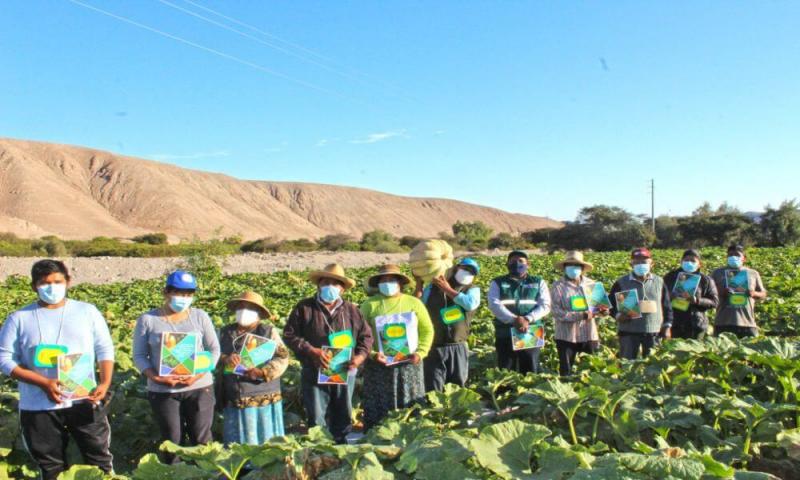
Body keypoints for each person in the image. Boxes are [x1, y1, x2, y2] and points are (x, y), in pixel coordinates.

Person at [0, 260, 115, 479]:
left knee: (99, 461)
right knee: (50, 466)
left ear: (68, 281)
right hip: (38, 405)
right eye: (44, 283)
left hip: (84, 399)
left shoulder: (87, 312)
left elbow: (104, 348)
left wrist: (105, 382)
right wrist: (43, 383)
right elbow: (4, 359)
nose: (52, 287)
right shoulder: (19, 319)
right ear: (34, 286)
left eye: (57, 281)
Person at [132, 270, 220, 463]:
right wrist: (156, 377)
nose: (184, 298)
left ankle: (207, 474)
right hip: (163, 390)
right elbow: (139, 355)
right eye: (179, 293)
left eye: (188, 294)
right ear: (166, 292)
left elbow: (214, 350)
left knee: (202, 441)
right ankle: (175, 473)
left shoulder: (200, 316)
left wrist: (198, 375)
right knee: (172, 441)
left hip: (199, 387)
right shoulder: (148, 320)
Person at [282, 264, 373, 444]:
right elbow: (289, 335)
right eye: (326, 283)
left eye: (335, 283)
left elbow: (366, 337)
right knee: (316, 417)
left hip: (345, 371)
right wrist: (311, 350)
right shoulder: (304, 308)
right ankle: (318, 450)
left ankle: (341, 448)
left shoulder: (352, 310)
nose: (330, 287)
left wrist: (359, 357)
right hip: (314, 370)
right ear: (319, 285)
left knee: (343, 414)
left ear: (342, 289)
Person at [359, 264, 434, 429]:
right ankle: (377, 436)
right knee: (379, 405)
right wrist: (372, 354)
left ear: (400, 282)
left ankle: (412, 434)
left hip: (409, 363)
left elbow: (427, 330)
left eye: (391, 279)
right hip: (379, 366)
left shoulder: (414, 303)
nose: (387, 283)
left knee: (410, 403)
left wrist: (421, 353)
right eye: (383, 280)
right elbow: (360, 335)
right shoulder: (369, 305)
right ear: (378, 284)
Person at [218, 291, 289, 445]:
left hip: (263, 395)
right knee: (238, 444)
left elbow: (283, 357)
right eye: (241, 307)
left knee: (265, 440)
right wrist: (225, 358)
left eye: (250, 308)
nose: (244, 311)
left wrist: (263, 372)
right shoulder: (224, 332)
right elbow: (214, 354)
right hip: (233, 394)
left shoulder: (268, 332)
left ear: (258, 313)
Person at [415, 258, 481, 392]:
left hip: (457, 345)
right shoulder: (432, 287)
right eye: (465, 268)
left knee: (457, 385)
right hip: (434, 346)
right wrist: (419, 284)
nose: (467, 273)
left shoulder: (472, 289)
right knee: (433, 386)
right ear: (456, 268)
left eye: (471, 272)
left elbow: (470, 304)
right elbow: (418, 305)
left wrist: (447, 289)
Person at [487, 250, 551, 373]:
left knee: (530, 369)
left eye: (521, 261)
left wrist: (527, 319)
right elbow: (494, 304)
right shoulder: (497, 282)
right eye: (513, 261)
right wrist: (514, 319)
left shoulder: (538, 282)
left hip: (531, 331)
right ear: (507, 264)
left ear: (528, 264)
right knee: (506, 370)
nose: (517, 263)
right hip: (505, 331)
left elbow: (545, 305)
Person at [609, 248, 673, 360]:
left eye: (644, 262)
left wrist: (667, 326)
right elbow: (610, 304)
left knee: (653, 364)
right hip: (628, 332)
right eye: (636, 262)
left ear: (651, 264)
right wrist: (618, 315)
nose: (640, 265)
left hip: (653, 332)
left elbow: (667, 306)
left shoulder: (660, 282)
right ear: (631, 264)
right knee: (627, 363)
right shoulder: (621, 282)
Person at [550, 251, 607, 376]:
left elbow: (602, 309)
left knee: (592, 371)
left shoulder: (592, 284)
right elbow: (556, 312)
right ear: (565, 268)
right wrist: (581, 315)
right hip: (566, 336)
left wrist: (603, 311)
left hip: (589, 334)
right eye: (570, 265)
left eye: (576, 265)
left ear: (582, 268)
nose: (573, 268)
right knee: (566, 372)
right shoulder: (557, 286)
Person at [711, 244, 767, 338]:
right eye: (730, 255)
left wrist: (753, 293)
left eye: (737, 255)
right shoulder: (717, 273)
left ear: (744, 258)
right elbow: (708, 292)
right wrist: (720, 291)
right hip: (723, 322)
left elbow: (763, 294)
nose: (733, 257)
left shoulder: (753, 273)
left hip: (747, 322)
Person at [663, 249, 719, 340]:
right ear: (681, 262)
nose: (689, 263)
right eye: (686, 260)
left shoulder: (706, 280)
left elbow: (714, 302)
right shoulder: (670, 277)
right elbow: (659, 296)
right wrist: (668, 296)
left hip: (696, 324)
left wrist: (697, 301)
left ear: (699, 264)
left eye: (693, 261)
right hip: (674, 323)